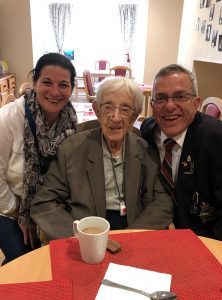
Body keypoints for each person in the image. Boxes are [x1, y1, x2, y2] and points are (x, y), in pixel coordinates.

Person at [31, 76, 173, 240]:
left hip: (133, 228)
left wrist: (132, 236)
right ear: (97, 110)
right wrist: (80, 236)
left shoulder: (146, 150)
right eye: (108, 107)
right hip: (84, 230)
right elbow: (44, 203)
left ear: (135, 117)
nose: (116, 117)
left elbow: (163, 202)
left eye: (125, 109)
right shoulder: (71, 149)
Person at [0, 52, 77, 264]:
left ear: (71, 88)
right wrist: (20, 213)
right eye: (46, 82)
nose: (55, 92)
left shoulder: (70, 121)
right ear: (34, 82)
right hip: (8, 207)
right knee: (26, 261)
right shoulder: (8, 119)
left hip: (49, 204)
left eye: (63, 84)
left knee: (65, 257)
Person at [140, 64, 222, 240]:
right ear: (152, 105)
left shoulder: (216, 140)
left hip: (208, 237)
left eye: (180, 96)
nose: (170, 106)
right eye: (161, 98)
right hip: (164, 232)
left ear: (196, 103)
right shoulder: (148, 130)